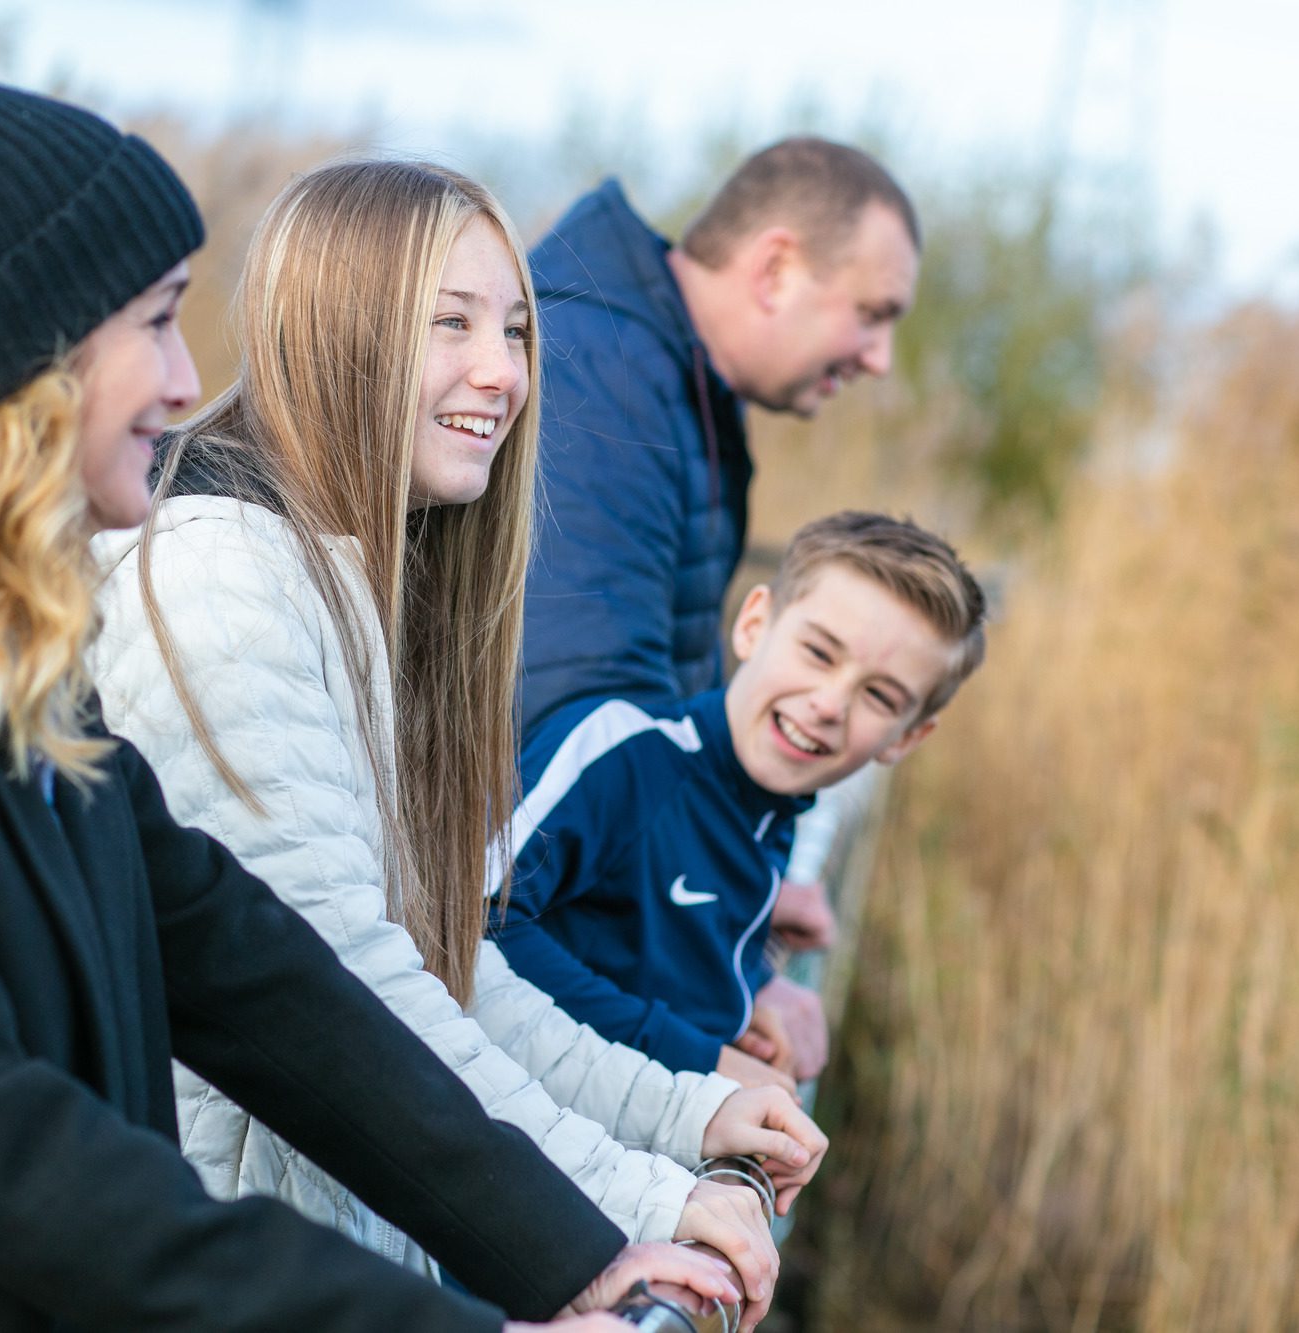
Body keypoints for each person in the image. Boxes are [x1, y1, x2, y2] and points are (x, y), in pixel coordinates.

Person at [0, 30, 750, 1333]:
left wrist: (571, 1251)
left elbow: (256, 978)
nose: (188, 384)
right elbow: (17, 1163)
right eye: (159, 323)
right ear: (24, 355)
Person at [89, 157, 823, 1314]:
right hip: (224, 1271)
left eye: (519, 329)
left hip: (336, 1249)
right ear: (336, 330)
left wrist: (680, 1111)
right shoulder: (220, 580)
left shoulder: (373, 581)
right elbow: (348, 991)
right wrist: (625, 1204)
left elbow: (448, 960)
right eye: (450, 324)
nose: (505, 372)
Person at [518, 139, 923, 1083]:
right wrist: (724, 979)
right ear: (776, 267)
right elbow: (581, 736)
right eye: (871, 315)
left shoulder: (671, 376)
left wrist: (746, 888)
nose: (880, 357)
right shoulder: (608, 377)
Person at [491, 513, 986, 1092]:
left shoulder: (773, 811)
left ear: (905, 738)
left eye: (878, 695)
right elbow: (475, 929)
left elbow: (663, 941)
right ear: (754, 624)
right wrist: (705, 1062)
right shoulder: (625, 753)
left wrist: (740, 1003)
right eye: (819, 653)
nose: (830, 703)